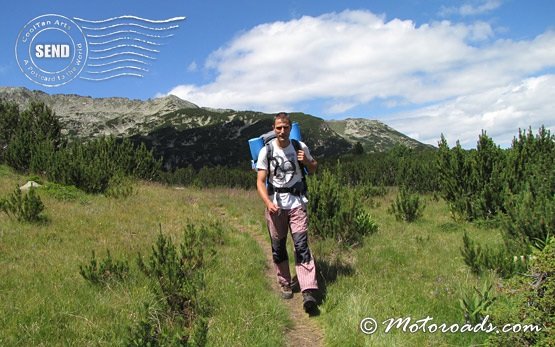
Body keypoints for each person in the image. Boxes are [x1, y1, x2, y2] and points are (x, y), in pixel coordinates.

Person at [256, 112, 319, 313]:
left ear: (290, 128)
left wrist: (307, 161)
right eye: (278, 127)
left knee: (301, 245)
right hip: (276, 206)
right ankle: (284, 281)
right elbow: (260, 181)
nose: (282, 131)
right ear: (274, 129)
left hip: (297, 203)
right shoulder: (266, 151)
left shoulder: (300, 147)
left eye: (285, 127)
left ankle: (308, 289)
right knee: (278, 247)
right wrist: (267, 202)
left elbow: (314, 167)